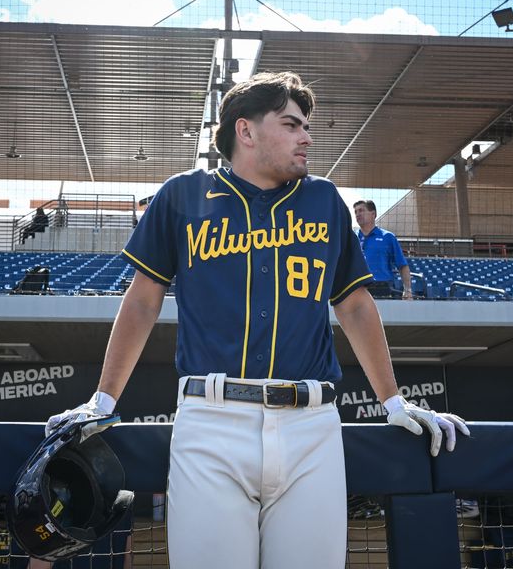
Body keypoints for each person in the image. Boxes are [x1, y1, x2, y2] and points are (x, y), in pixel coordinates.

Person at [45, 72, 469, 569]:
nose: (306, 136)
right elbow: (142, 301)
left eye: (306, 126)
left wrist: (392, 400)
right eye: (291, 124)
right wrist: (103, 399)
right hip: (211, 422)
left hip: (311, 427)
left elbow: (353, 305)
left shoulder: (325, 200)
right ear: (245, 132)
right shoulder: (183, 195)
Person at [353, 199, 413, 299]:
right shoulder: (351, 238)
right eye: (356, 212)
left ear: (373, 214)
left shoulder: (388, 237)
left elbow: (402, 265)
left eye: (361, 210)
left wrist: (407, 290)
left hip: (383, 290)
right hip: (357, 289)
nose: (357, 214)